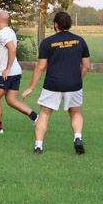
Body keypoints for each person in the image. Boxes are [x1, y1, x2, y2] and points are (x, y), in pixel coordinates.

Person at [22, 11, 90, 155]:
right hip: (74, 84)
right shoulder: (80, 41)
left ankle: (38, 146)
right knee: (76, 112)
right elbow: (86, 66)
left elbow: (40, 67)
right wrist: (78, 79)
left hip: (52, 84)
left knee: (44, 114)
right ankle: (77, 137)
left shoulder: (47, 42)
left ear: (55, 24)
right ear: (70, 24)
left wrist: (31, 87)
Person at [0, 11, 39, 134]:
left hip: (6, 73)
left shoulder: (3, 33)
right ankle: (37, 117)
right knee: (12, 100)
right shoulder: (9, 31)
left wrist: (7, 68)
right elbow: (7, 49)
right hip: (16, 72)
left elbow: (12, 49)